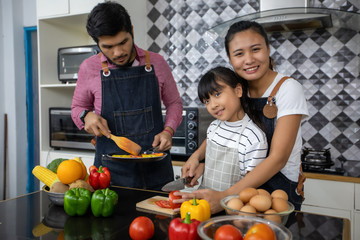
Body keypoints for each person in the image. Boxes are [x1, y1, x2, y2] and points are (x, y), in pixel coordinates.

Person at [178, 20, 309, 213]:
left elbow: (278, 159)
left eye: (255, 49)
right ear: (230, 59)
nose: (248, 60)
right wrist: (198, 157)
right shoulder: (238, 87)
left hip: (277, 189)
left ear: (268, 48)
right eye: (239, 54)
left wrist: (224, 196)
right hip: (241, 187)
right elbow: (224, 131)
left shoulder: (288, 89)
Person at [71, 2, 183, 190]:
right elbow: (77, 109)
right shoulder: (89, 68)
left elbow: (174, 103)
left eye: (123, 42)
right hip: (108, 174)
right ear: (97, 43)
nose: (118, 52)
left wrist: (168, 131)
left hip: (156, 167)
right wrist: (86, 116)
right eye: (108, 46)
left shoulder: (157, 62)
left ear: (131, 30)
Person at [184, 66, 268, 193]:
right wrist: (202, 165)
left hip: (232, 209)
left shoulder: (253, 138)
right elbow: (213, 157)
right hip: (204, 205)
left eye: (217, 94)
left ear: (238, 91)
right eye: (207, 101)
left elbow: (250, 187)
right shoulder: (214, 127)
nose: (213, 105)